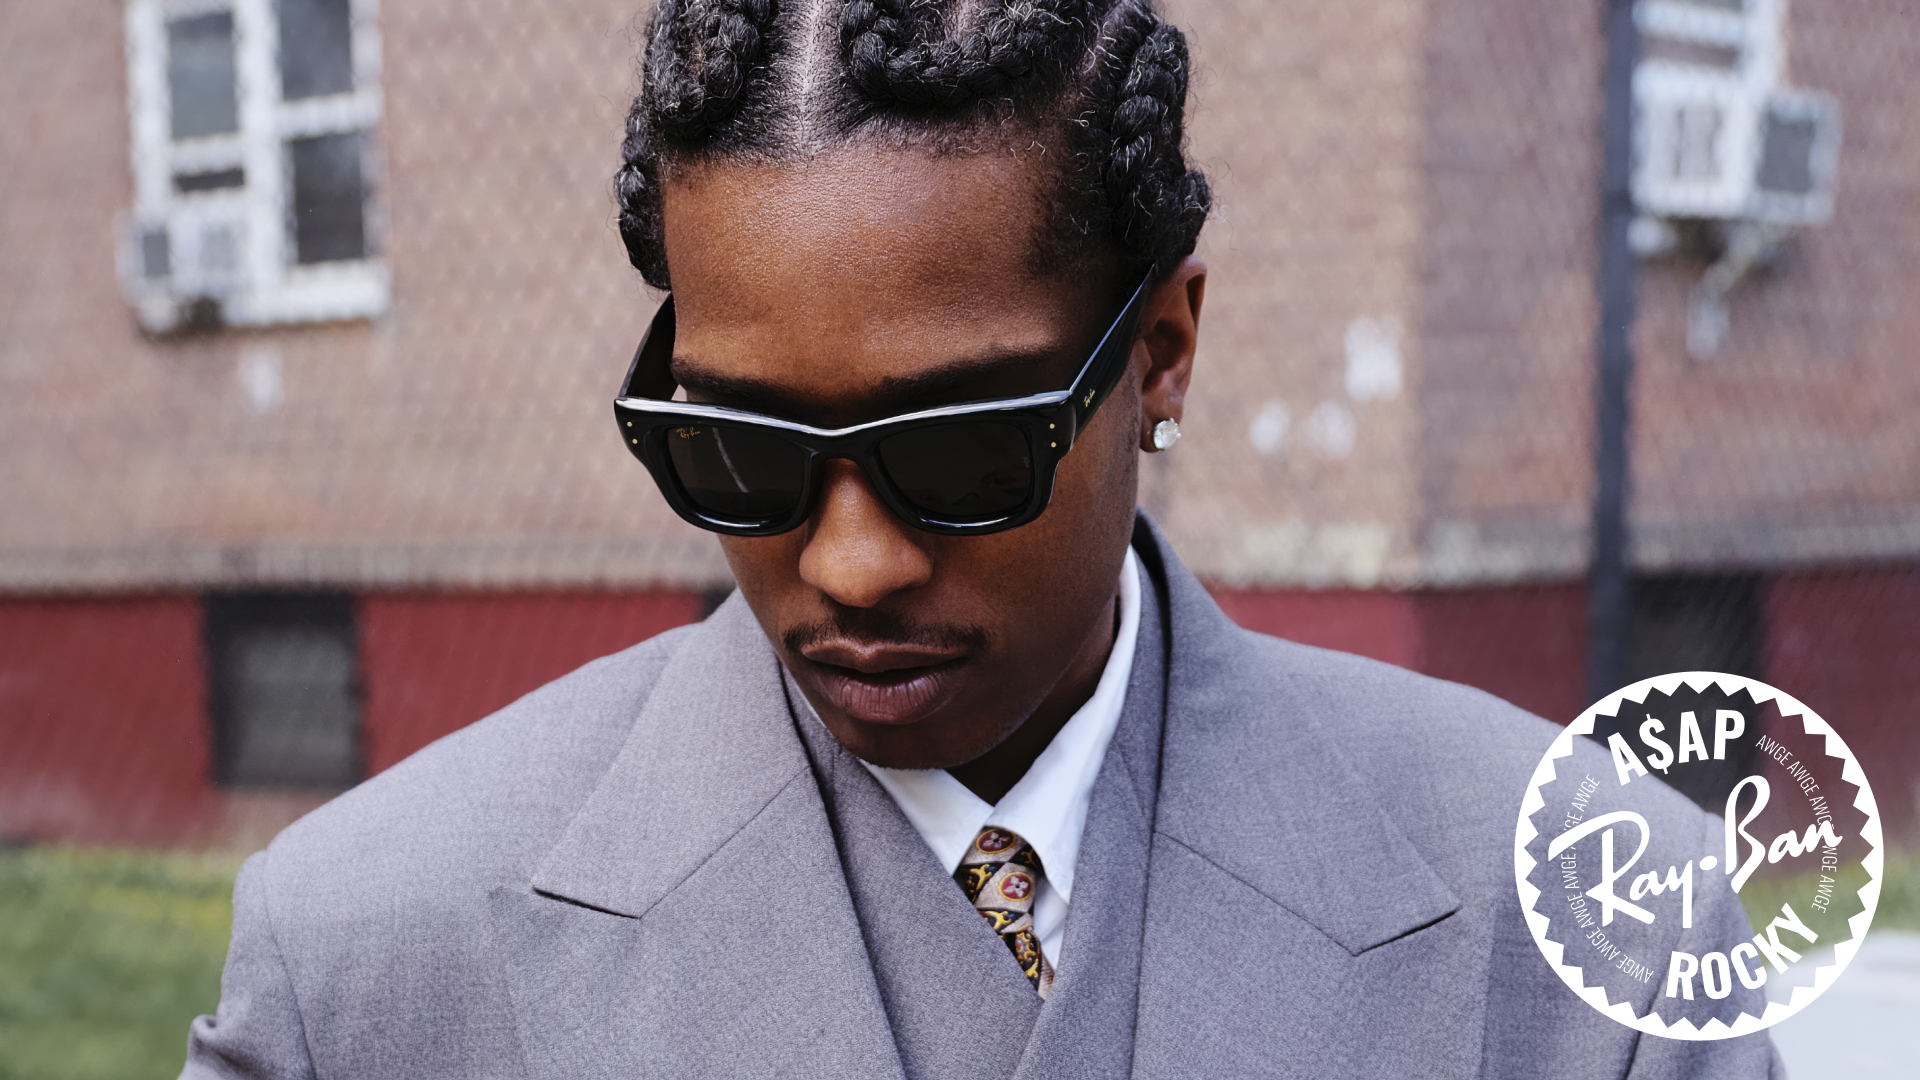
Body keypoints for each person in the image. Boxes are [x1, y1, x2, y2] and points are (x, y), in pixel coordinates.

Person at [183, 1, 1780, 1076]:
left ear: (1162, 352)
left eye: (958, 450)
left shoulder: (1593, 926)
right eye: (742, 450)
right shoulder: (366, 964)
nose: (851, 564)